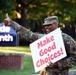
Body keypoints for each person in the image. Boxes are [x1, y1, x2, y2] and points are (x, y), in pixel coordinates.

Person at [4, 15, 76, 75]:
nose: (46, 27)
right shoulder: (44, 39)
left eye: (49, 25)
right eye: (45, 25)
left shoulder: (67, 40)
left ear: (56, 24)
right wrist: (12, 23)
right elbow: (29, 35)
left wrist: (58, 64)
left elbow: (74, 58)